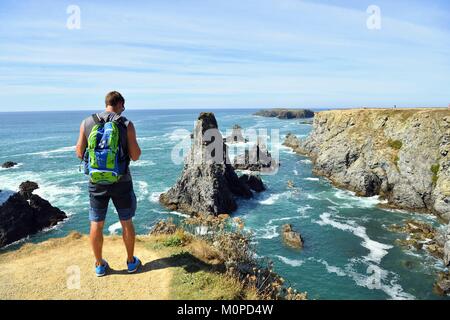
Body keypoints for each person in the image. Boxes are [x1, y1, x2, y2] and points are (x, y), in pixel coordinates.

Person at [76, 91, 142, 277]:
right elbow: (135, 156)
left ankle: (99, 265)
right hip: (121, 180)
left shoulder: (87, 122)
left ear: (106, 103)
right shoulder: (126, 124)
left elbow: (79, 152)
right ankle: (130, 262)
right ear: (119, 103)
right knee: (126, 221)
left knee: (96, 223)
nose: (124, 109)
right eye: (124, 105)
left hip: (96, 182)